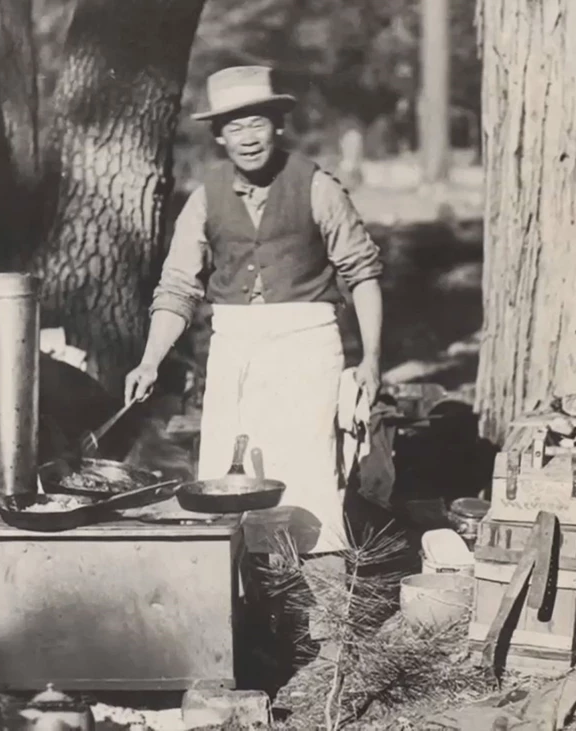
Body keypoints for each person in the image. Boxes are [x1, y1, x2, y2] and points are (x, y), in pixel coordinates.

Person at [125, 65, 384, 651]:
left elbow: (362, 275)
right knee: (223, 482)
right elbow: (177, 288)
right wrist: (149, 360)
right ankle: (241, 624)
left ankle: (330, 634)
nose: (247, 135)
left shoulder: (317, 186)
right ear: (219, 134)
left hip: (308, 341)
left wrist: (370, 359)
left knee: (310, 477)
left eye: (257, 122)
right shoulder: (204, 198)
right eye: (234, 125)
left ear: (277, 125)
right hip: (234, 344)